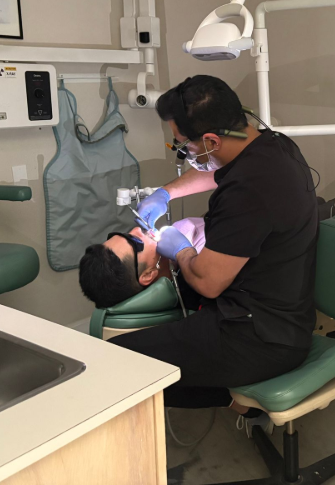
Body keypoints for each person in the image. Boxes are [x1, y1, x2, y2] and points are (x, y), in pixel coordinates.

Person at [110, 75, 319, 422]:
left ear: (209, 140)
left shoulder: (249, 192)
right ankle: (234, 400)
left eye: (183, 146)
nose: (184, 153)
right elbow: (221, 166)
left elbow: (208, 282)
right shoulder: (270, 144)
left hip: (258, 338)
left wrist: (179, 249)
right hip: (276, 314)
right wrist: (167, 192)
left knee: (116, 365)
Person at [79, 217, 206, 309]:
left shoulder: (183, 231)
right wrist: (184, 253)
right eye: (135, 241)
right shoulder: (202, 284)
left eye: (126, 234)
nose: (137, 229)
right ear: (148, 275)